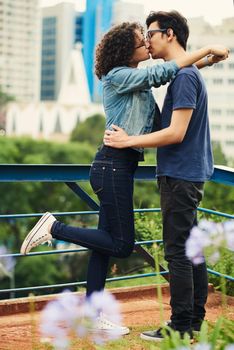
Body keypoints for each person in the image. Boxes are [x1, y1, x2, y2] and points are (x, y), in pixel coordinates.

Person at [20, 21, 228, 335]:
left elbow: (174, 73)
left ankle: (91, 316)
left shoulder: (136, 82)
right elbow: (160, 73)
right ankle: (54, 227)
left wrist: (206, 63)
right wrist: (207, 49)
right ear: (125, 49)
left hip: (120, 167)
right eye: (139, 40)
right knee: (120, 244)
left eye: (148, 37)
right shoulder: (118, 76)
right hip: (111, 166)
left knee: (103, 246)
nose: (146, 42)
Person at [103, 11, 229, 340]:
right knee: (190, 249)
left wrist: (129, 140)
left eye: (151, 33)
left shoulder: (185, 77)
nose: (147, 40)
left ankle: (181, 324)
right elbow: (173, 75)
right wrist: (204, 59)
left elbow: (174, 133)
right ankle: (193, 323)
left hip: (180, 175)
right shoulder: (184, 74)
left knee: (177, 251)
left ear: (169, 34)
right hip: (185, 173)